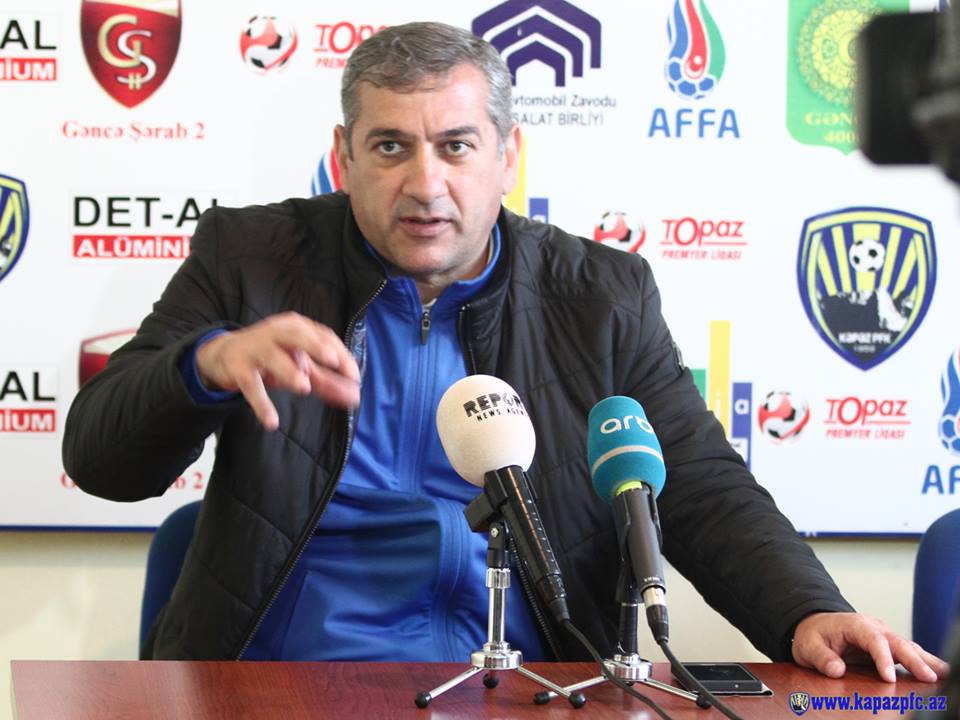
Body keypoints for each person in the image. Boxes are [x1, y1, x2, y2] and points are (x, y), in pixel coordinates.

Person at [63, 21, 946, 682]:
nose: (425, 183)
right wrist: (202, 366)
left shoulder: (600, 296)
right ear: (342, 158)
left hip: (525, 685)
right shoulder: (249, 261)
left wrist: (806, 611)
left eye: (456, 146)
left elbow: (700, 484)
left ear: (507, 155)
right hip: (287, 684)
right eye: (389, 147)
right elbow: (101, 461)